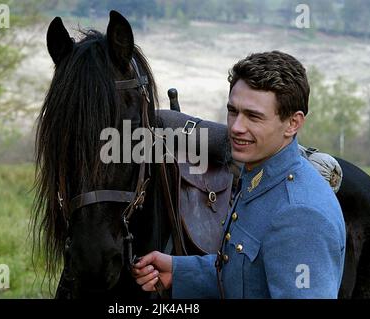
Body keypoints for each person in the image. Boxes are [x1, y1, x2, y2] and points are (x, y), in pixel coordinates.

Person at [132, 51, 346, 298]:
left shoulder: (300, 214)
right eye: (233, 111)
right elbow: (247, 279)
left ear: (293, 123)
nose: (236, 127)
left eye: (253, 116)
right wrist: (179, 272)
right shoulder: (260, 179)